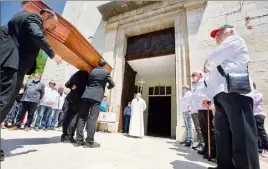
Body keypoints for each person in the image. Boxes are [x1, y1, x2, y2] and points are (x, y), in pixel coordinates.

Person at [0, 9, 62, 161]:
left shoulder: (18, 17)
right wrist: (53, 54)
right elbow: (37, 34)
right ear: (45, 16)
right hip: (13, 65)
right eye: (51, 24)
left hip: (8, 63)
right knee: (4, 102)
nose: (50, 28)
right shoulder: (34, 18)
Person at [203, 24, 260, 169]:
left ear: (230, 31)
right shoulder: (224, 48)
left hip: (236, 92)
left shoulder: (234, 39)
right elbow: (213, 77)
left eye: (219, 33)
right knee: (222, 134)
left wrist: (207, 64)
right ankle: (225, 166)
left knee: (242, 134)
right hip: (221, 94)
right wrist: (209, 97)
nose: (216, 36)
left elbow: (212, 59)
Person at [75, 59, 115, 148]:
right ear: (104, 65)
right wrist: (108, 87)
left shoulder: (91, 71)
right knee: (92, 118)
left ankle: (79, 140)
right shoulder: (105, 73)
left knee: (82, 117)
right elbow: (112, 84)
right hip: (96, 97)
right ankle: (89, 142)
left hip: (86, 95)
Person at [191, 71, 216, 160]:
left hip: (207, 108)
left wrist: (210, 102)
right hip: (199, 110)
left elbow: (211, 91)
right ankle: (206, 148)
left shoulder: (206, 80)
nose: (193, 76)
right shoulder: (196, 85)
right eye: (192, 75)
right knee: (204, 131)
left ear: (200, 75)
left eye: (195, 74)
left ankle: (212, 150)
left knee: (210, 130)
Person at [61, 70, 88, 143]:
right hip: (78, 99)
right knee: (74, 118)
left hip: (70, 97)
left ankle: (64, 135)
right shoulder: (87, 75)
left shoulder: (77, 74)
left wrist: (72, 87)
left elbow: (67, 84)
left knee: (67, 117)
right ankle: (68, 136)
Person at [252, 82, 268, 157]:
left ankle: (266, 147)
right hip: (253, 115)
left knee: (261, 131)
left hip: (258, 114)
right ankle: (260, 147)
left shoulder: (257, 94)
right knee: (255, 132)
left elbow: (253, 102)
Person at [190, 81, 204, 151]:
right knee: (197, 129)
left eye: (194, 83)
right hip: (193, 111)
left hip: (198, 110)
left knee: (200, 128)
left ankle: (202, 143)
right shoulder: (193, 91)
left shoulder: (199, 88)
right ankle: (200, 143)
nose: (192, 85)